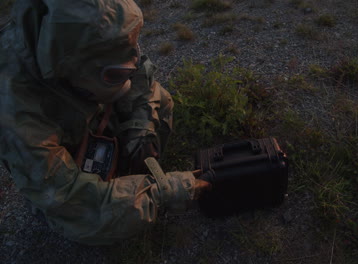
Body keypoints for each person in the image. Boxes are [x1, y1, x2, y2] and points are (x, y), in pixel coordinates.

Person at [0, 0, 211, 245]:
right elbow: (70, 198)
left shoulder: (94, 30)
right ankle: (120, 192)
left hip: (86, 108)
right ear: (69, 66)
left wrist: (141, 128)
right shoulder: (14, 108)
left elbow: (140, 74)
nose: (126, 76)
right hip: (61, 163)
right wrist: (164, 191)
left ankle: (123, 177)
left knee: (159, 102)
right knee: (87, 218)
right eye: (114, 75)